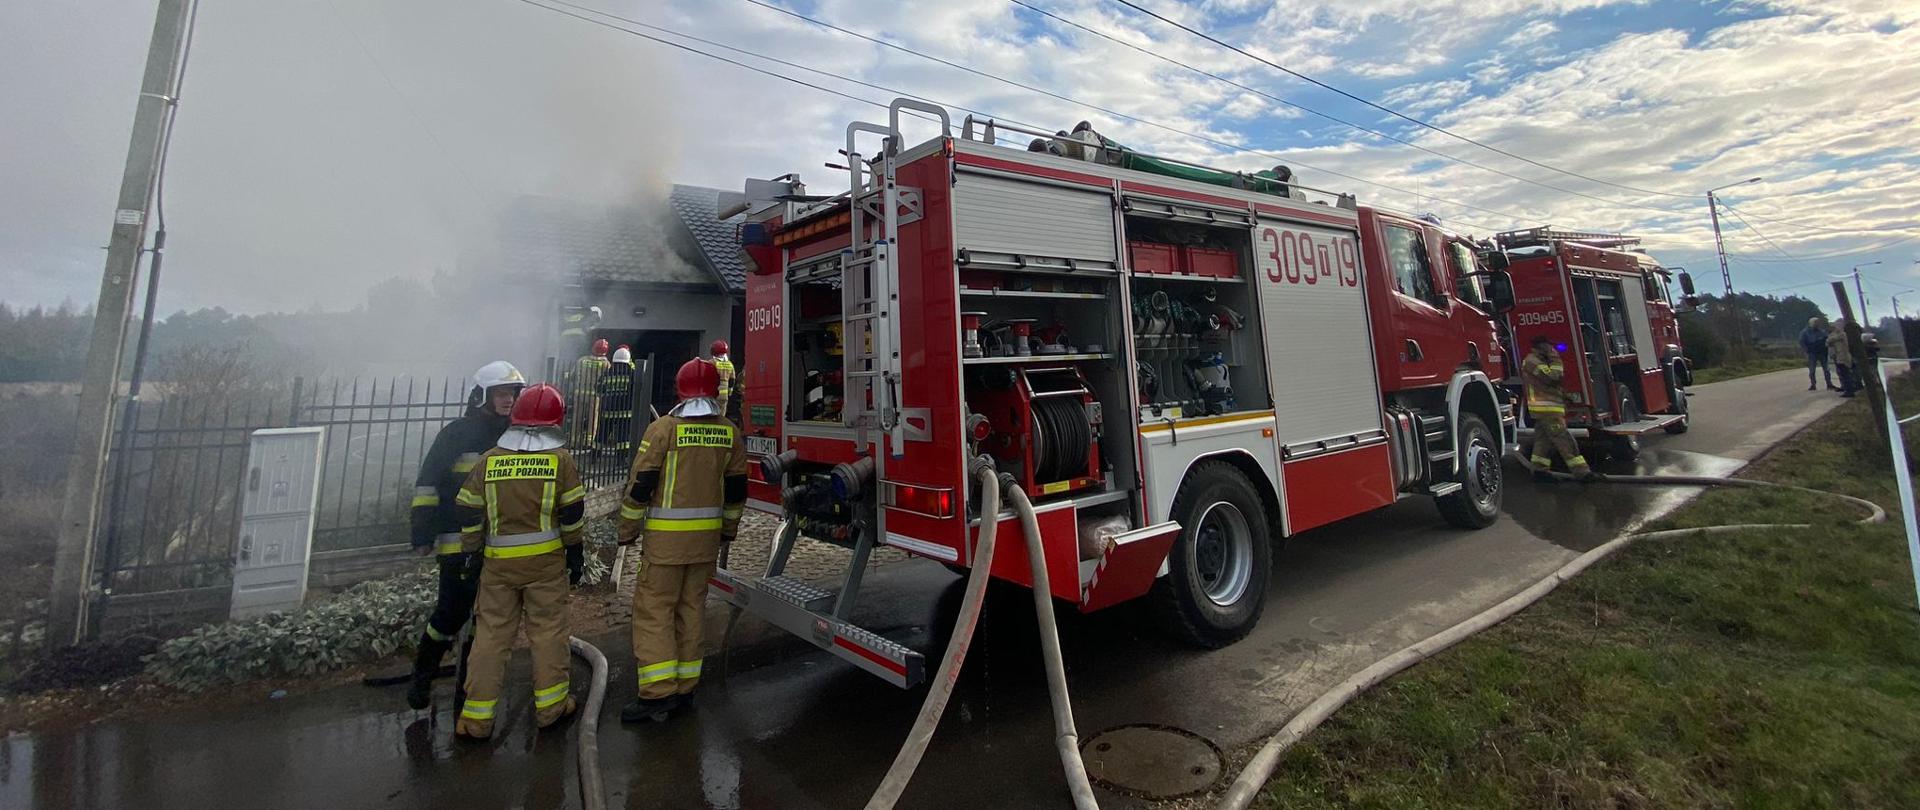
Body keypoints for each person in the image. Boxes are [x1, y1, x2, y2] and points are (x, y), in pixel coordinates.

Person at [451, 383, 588, 739]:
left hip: (498, 566)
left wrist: (471, 552)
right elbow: (572, 513)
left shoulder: (490, 459)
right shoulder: (560, 460)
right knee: (548, 633)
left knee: (491, 636)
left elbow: (468, 508)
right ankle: (552, 709)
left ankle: (476, 719)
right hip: (545, 566)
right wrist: (575, 552)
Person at [616, 359, 748, 723]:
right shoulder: (730, 432)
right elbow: (737, 492)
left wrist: (627, 531)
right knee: (692, 610)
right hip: (705, 545)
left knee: (655, 611)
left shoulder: (662, 429)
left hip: (665, 547)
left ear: (680, 389)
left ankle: (658, 693)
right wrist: (729, 530)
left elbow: (640, 486)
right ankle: (686, 688)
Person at [404, 360, 524, 710]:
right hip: (457, 542)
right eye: (501, 393)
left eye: (512, 393)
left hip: (498, 543)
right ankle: (422, 675)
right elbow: (427, 485)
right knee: (450, 613)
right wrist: (422, 533)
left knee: (485, 618)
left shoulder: (516, 435)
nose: (508, 399)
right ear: (482, 395)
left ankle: (469, 685)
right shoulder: (456, 434)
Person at [1520, 335, 1599, 482]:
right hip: (1547, 410)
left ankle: (1539, 472)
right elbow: (1553, 377)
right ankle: (1582, 473)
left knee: (1543, 441)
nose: (1552, 348)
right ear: (1541, 346)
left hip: (1545, 410)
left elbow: (1548, 386)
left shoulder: (1538, 361)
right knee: (1564, 439)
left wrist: (1564, 396)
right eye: (1549, 346)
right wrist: (1555, 358)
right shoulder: (1532, 361)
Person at [597, 345, 637, 456]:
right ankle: (621, 459)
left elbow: (599, 388)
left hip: (608, 411)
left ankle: (594, 457)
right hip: (625, 412)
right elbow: (635, 390)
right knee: (623, 437)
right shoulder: (632, 374)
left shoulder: (607, 374)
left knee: (601, 435)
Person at [573, 338, 611, 450]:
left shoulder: (582, 360)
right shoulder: (605, 364)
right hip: (594, 396)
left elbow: (573, 375)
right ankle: (589, 442)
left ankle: (574, 441)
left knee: (577, 418)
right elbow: (607, 380)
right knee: (592, 419)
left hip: (579, 393)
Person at [1800, 317, 1836, 391]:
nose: (1817, 324)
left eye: (1818, 323)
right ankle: (1813, 384)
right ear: (1811, 323)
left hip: (1822, 352)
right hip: (1812, 353)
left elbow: (1827, 339)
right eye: (1816, 323)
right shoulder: (1805, 332)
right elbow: (1802, 342)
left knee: (1826, 369)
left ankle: (1829, 384)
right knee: (1812, 370)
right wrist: (1806, 351)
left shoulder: (1822, 331)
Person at [1828, 319, 1857, 398]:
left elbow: (1830, 340)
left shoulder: (1842, 334)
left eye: (1837, 325)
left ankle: (1849, 391)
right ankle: (1847, 389)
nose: (1836, 327)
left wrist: (1830, 338)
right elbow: (1828, 342)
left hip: (1843, 356)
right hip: (1839, 356)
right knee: (1843, 374)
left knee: (1846, 374)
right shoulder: (1837, 334)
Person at [709, 340, 737, 418]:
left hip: (714, 393)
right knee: (722, 415)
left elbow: (707, 377)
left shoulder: (712, 362)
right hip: (725, 396)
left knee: (712, 415)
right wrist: (729, 392)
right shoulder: (730, 364)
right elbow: (732, 380)